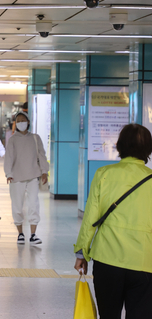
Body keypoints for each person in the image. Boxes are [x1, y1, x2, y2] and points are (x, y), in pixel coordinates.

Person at [73, 124, 152, 319]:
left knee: (108, 315)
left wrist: (82, 252)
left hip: (107, 259)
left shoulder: (104, 173)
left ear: (120, 146)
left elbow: (91, 217)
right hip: (144, 262)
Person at [3, 112, 48, 245]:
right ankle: (20, 233)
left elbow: (42, 155)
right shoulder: (12, 139)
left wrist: (44, 171)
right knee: (17, 207)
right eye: (18, 121)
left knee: (34, 205)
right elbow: (8, 158)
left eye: (23, 120)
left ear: (28, 122)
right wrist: (8, 173)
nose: (21, 122)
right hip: (16, 178)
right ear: (15, 124)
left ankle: (33, 235)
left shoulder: (35, 138)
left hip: (33, 176)